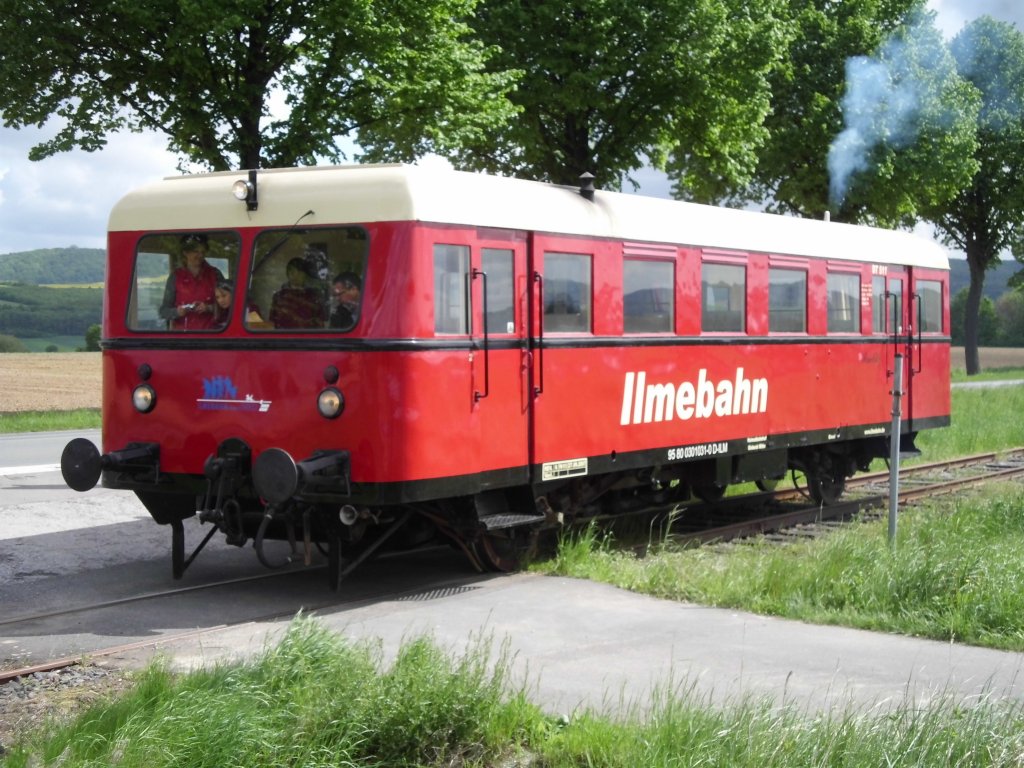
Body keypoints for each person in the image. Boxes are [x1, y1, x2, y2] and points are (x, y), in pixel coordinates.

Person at [159, 234, 223, 330]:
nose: (200, 255)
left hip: (211, 335)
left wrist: (209, 308)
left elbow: (228, 305)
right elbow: (163, 311)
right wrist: (177, 312)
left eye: (203, 252)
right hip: (183, 338)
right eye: (196, 252)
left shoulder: (215, 274)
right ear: (185, 252)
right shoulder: (175, 276)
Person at [269, 257, 325, 328]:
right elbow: (272, 322)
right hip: (283, 337)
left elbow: (320, 323)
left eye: (300, 272)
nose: (292, 274)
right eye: (290, 271)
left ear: (304, 274)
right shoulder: (279, 297)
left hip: (308, 338)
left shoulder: (313, 297)